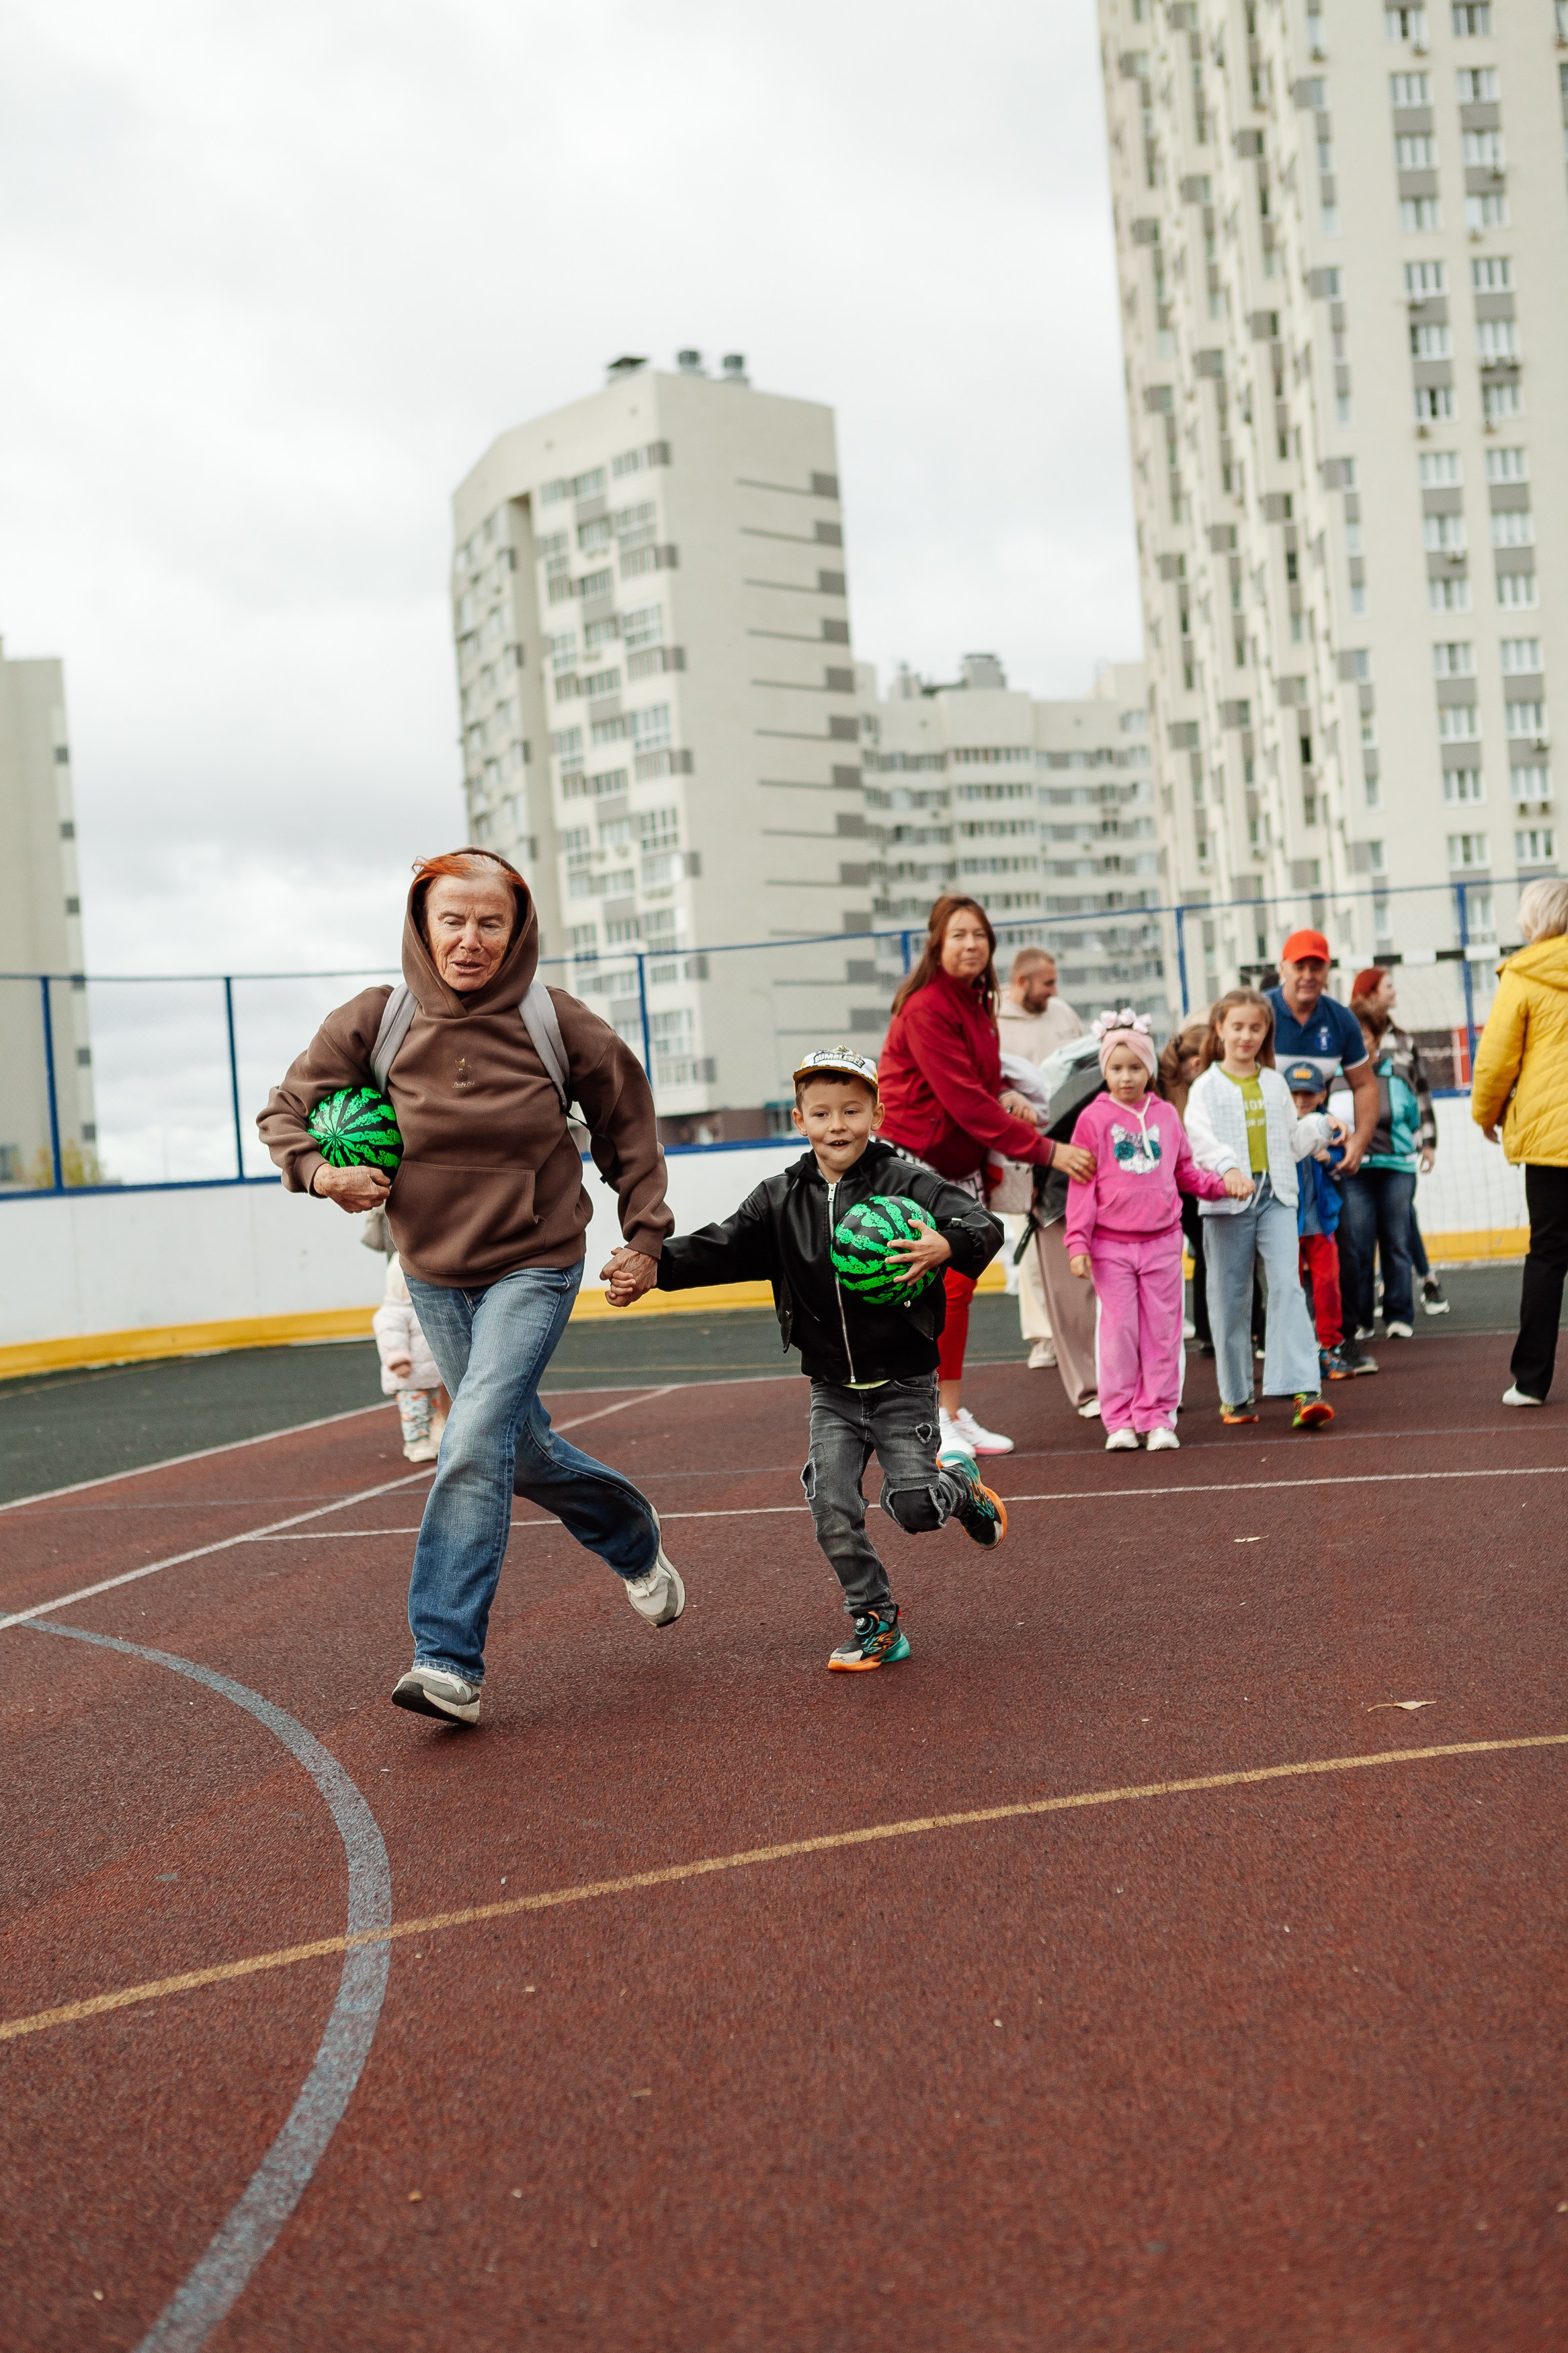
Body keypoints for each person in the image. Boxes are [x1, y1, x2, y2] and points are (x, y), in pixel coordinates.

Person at [259, 848, 682, 1727]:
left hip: (536, 1260)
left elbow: (630, 1134)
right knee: (517, 1452)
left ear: (517, 930)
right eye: (452, 920)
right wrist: (318, 1173)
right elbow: (283, 1113)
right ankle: (630, 1532)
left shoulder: (558, 1024)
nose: (470, 939)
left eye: (491, 922)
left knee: (472, 1435)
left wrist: (643, 1238)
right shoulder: (375, 1020)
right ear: (422, 926)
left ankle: (448, 1660)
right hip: (432, 1274)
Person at [642, 1049, 1008, 1670]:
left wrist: (949, 1243)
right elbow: (722, 1248)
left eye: (851, 1110)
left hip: (902, 1382)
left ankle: (960, 1486)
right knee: (832, 1507)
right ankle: (876, 1624)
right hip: (832, 1390)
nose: (836, 1124)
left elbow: (982, 1222)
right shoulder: (780, 1198)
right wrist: (654, 1266)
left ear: (876, 1114)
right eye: (821, 1113)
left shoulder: (906, 1182)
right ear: (799, 1119)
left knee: (914, 1510)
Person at [875, 895, 1094, 1460]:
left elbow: (980, 1083)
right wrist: (1047, 1150)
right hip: (915, 1160)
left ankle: (948, 1413)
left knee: (959, 1287)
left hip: (960, 1160)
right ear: (937, 945)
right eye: (958, 935)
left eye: (979, 934)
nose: (970, 944)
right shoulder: (925, 1007)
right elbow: (963, 1101)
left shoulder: (976, 1002)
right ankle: (927, 1419)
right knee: (930, 1290)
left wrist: (1006, 1095)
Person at [1065, 1011, 1245, 1451]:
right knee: (1119, 1333)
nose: (1125, 1077)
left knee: (1162, 1334)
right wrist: (1077, 1242)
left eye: (1134, 1067)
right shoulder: (1092, 1119)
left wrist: (1221, 1185)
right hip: (1110, 1247)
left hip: (1163, 1244)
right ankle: (1120, 1419)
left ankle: (1158, 1416)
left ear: (1149, 1069)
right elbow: (1081, 1184)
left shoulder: (1165, 1115)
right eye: (1115, 1068)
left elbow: (1185, 1171)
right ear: (1104, 1070)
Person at [1184, 988, 1336, 1431]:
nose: (1246, 1036)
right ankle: (1235, 1396)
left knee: (1288, 1286)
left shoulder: (1273, 1082)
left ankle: (1304, 1389)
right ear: (1219, 1030)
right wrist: (1228, 1167)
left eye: (1255, 1027)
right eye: (1237, 1027)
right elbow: (1199, 1141)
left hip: (1277, 1197)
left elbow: (1291, 1141)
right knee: (1230, 1297)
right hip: (1226, 1204)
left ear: (1266, 1030)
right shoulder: (1205, 1088)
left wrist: (1322, 1126)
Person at [1471, 875, 1568, 1406]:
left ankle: (1531, 1381)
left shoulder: (1522, 974)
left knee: (1548, 1255)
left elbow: (1496, 1059)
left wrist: (1486, 1115)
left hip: (1552, 1141)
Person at [1266, 929, 1380, 1374]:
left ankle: (1338, 1343)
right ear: (1283, 968)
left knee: (1342, 1254)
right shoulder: (1261, 1013)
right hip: (1266, 1161)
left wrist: (1356, 1141)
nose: (1308, 974)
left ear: (1327, 970)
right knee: (1270, 1268)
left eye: (1317, 966)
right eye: (1299, 965)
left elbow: (1366, 1084)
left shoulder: (1340, 1021)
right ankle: (1267, 1350)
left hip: (1315, 1160)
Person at [1334, 986, 1435, 1343]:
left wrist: (1427, 1144)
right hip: (1353, 1172)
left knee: (1396, 1241)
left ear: (1377, 1037)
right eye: (1354, 1035)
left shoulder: (1397, 1073)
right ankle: (1361, 1319)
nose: (1360, 1041)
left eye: (1366, 1034)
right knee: (1358, 1244)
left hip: (1396, 1169)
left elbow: (1415, 1111)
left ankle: (1399, 1315)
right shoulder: (1336, 1077)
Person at [1350, 967, 1446, 1317]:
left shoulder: (1403, 1041)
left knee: (1402, 1217)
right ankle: (1420, 1279)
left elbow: (1420, 1093)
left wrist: (1428, 1141)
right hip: (1361, 1160)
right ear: (1370, 993)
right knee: (1374, 1229)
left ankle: (1416, 1285)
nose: (1395, 991)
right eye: (1388, 986)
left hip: (1395, 1156)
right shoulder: (1350, 1035)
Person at [1282, 1060, 1350, 1380]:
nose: (1300, 1101)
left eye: (1307, 1094)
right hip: (1285, 1226)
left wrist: (1330, 1159)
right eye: (1294, 1093)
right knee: (1288, 1287)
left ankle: (1330, 1346)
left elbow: (1344, 1159)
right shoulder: (1279, 1125)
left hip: (1322, 1224)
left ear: (1322, 1095)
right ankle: (1291, 1348)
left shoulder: (1329, 1125)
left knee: (1327, 1284)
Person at [1157, 1017, 1213, 1353]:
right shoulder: (1193, 1098)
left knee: (1197, 1255)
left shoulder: (1163, 1095)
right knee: (1210, 1253)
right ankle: (1211, 1330)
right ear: (1196, 1064)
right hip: (1190, 1185)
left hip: (1169, 1187)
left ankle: (1202, 1331)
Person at [373, 1252, 450, 1462]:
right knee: (414, 1412)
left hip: (430, 1374)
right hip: (409, 1378)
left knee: (433, 1408)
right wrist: (399, 1361)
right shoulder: (392, 1314)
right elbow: (391, 1339)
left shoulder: (423, 1308)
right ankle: (415, 1443)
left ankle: (433, 1437)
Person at [996, 947, 1085, 1064]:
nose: (1054, 992)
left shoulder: (1063, 1012)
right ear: (1022, 981)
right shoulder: (994, 1024)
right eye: (1048, 983)